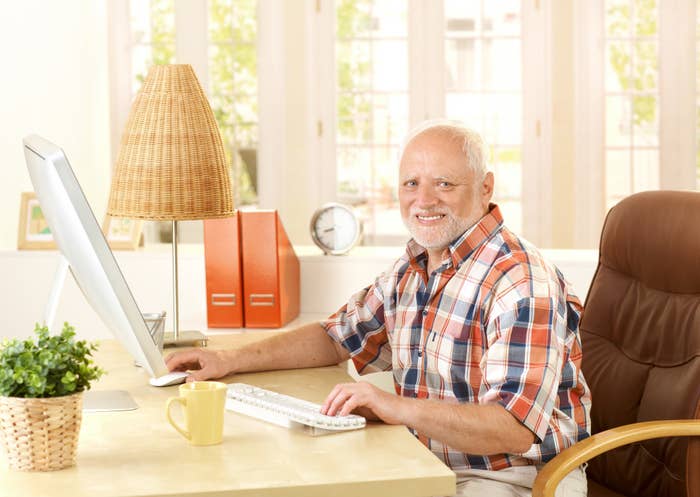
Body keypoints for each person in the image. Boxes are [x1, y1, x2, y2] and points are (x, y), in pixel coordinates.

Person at [166, 121, 592, 497]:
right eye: (411, 184)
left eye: (444, 183)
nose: (423, 200)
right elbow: (336, 336)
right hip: (425, 463)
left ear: (485, 187)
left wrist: (394, 406)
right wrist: (227, 360)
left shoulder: (520, 282)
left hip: (515, 478)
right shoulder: (416, 264)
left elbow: (512, 429)